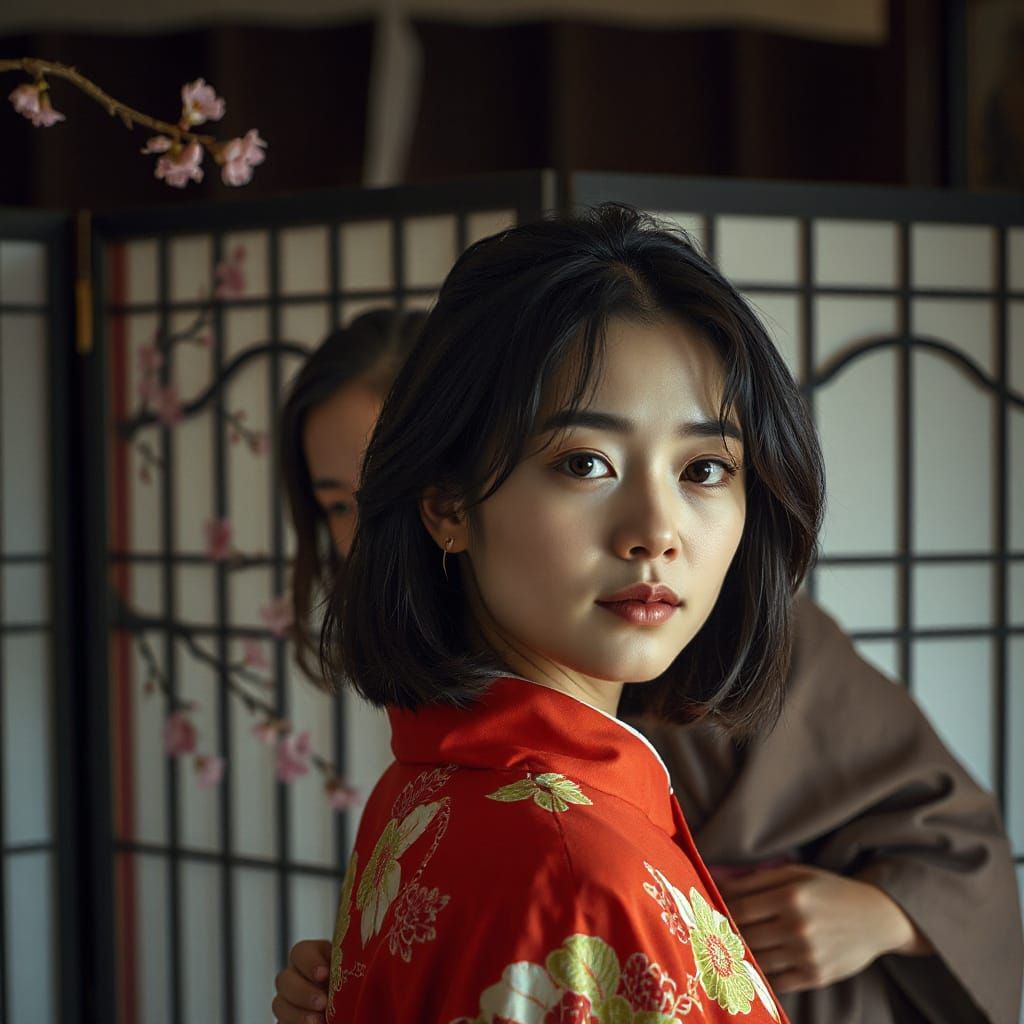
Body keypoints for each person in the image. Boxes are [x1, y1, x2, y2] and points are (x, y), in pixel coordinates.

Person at [271, 240, 1023, 1021]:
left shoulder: (429, 788)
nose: (656, 532)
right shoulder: (568, 861)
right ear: (447, 503)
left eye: (704, 469)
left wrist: (878, 913)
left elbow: (956, 841)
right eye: (584, 463)